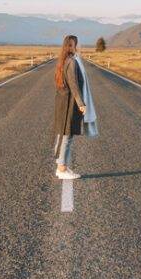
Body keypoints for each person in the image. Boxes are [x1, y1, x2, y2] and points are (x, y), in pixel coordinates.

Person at [53, 34, 99, 179]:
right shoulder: (71, 62)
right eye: (75, 44)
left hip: (64, 102)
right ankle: (61, 168)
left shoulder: (64, 60)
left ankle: (61, 165)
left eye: (77, 44)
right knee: (68, 135)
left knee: (64, 133)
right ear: (70, 46)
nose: (77, 46)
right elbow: (74, 84)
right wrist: (81, 103)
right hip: (70, 104)